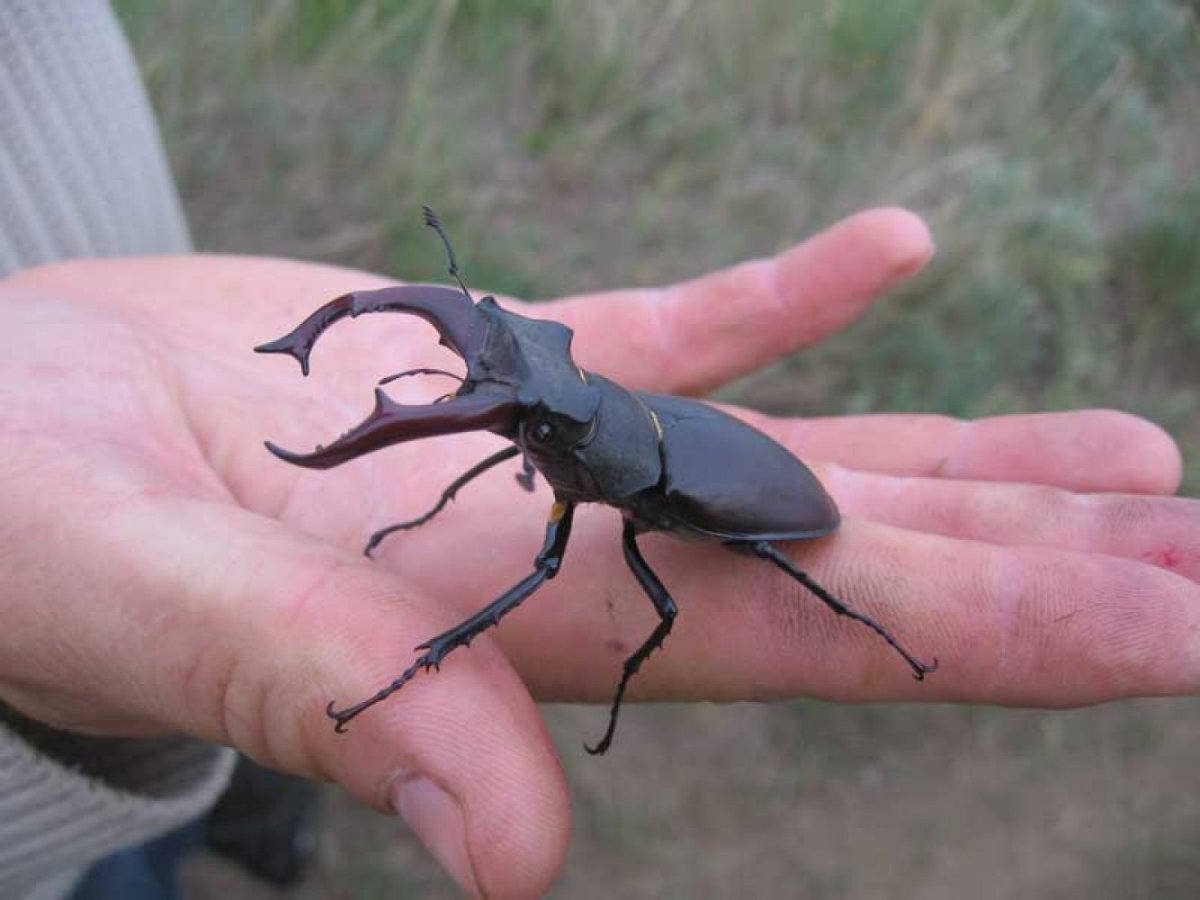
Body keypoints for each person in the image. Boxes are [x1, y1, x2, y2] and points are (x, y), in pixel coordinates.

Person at [3, 5, 1199, 900]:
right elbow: (532, 442)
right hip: (667, 444)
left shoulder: (633, 496)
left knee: (683, 584)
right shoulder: (580, 432)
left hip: (734, 492)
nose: (516, 417)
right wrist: (474, 460)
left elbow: (570, 523)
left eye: (536, 411)